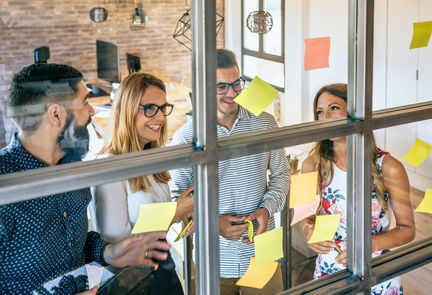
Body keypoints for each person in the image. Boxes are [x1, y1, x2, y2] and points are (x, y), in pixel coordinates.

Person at [0, 64, 171, 295]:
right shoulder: (5, 186)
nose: (92, 111)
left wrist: (108, 252)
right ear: (56, 114)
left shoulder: (74, 170)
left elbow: (77, 243)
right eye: (84, 102)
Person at [169, 49, 291, 294]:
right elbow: (177, 199)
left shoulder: (265, 123)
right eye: (221, 87)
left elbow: (282, 175)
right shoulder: (186, 136)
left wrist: (268, 209)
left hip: (263, 250)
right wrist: (212, 223)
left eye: (236, 84)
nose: (232, 94)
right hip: (213, 258)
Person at [299, 83, 415, 294]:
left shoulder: (389, 166)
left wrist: (365, 247)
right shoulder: (309, 165)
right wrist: (308, 230)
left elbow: (408, 230)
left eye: (333, 108)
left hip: (376, 270)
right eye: (319, 112)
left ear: (355, 112)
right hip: (329, 269)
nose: (325, 117)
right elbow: (304, 219)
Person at [91, 73, 194, 294]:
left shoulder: (148, 156)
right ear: (127, 111)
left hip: (161, 272)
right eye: (150, 108)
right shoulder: (109, 165)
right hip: (134, 282)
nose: (160, 117)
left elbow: (148, 216)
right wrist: (175, 212)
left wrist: (181, 212)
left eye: (163, 108)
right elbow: (119, 244)